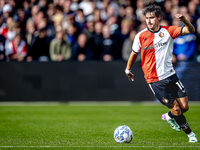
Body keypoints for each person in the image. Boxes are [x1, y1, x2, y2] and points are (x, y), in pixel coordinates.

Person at [125, 4, 198, 142]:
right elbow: (134, 54)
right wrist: (128, 69)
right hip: (155, 80)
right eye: (147, 18)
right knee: (176, 109)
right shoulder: (140, 36)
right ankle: (190, 135)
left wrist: (184, 20)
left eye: (152, 18)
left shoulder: (169, 31)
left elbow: (191, 30)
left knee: (184, 107)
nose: (149, 21)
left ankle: (169, 117)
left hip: (171, 75)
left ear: (159, 18)